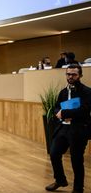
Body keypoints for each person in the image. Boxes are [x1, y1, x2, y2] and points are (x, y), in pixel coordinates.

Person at [45, 64, 91, 193]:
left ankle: (78, 188)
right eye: (68, 74)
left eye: (74, 74)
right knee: (54, 154)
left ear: (80, 75)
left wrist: (65, 114)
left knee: (76, 159)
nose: (70, 76)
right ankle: (60, 180)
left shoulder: (87, 92)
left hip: (78, 130)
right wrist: (58, 113)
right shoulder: (63, 92)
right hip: (63, 129)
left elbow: (85, 110)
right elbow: (56, 107)